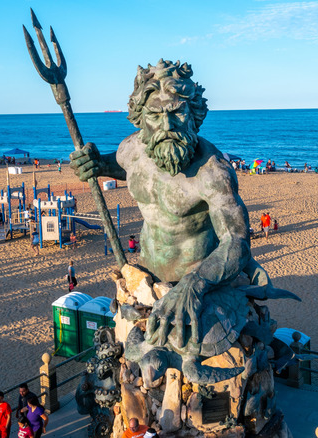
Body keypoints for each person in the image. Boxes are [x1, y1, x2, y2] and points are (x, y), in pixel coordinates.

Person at [69, 60, 296, 349]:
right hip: (147, 278)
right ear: (140, 117)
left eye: (176, 111)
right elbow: (118, 165)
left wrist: (195, 283)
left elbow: (237, 241)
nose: (166, 125)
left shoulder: (212, 172)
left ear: (194, 115)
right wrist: (97, 163)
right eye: (154, 114)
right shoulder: (133, 150)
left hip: (202, 281)